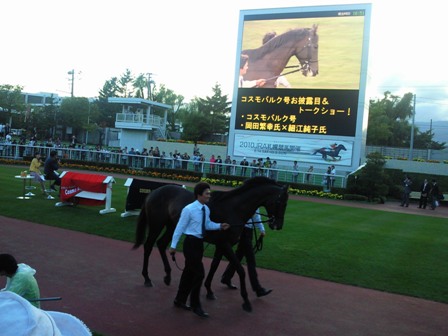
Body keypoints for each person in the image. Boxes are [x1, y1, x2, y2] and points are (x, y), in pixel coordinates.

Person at [169, 182, 230, 318]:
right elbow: (179, 228)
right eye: (207, 193)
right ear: (199, 195)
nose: (209, 195)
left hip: (199, 244)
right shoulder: (189, 209)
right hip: (190, 243)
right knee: (199, 274)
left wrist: (220, 226)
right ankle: (196, 305)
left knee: (188, 273)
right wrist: (173, 246)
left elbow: (207, 224)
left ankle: (179, 299)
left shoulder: (205, 209)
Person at [221, 209, 272, 298]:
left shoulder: (254, 201)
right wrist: (261, 228)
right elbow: (253, 217)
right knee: (251, 261)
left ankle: (226, 277)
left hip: (247, 232)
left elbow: (256, 217)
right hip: (245, 232)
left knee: (238, 256)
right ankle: (257, 289)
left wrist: (261, 229)